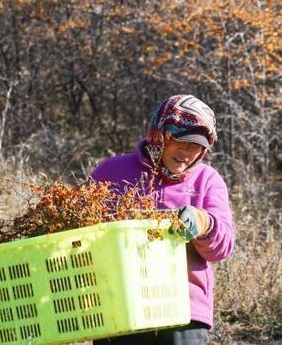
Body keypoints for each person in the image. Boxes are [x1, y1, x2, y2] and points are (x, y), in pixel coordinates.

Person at [91, 94, 234, 345]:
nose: (187, 152)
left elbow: (223, 247)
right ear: (160, 134)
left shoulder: (207, 181)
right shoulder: (111, 173)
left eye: (197, 145)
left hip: (182, 311)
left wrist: (202, 223)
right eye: (180, 140)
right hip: (121, 306)